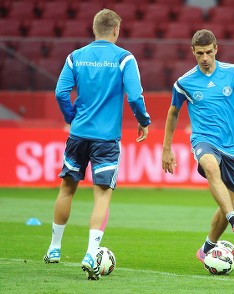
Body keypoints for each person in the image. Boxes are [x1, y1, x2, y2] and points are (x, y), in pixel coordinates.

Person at [43, 9, 151, 280]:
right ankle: (91, 253)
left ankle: (54, 248)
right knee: (102, 195)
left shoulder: (75, 57)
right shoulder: (124, 58)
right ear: (116, 30)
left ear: (94, 29)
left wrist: (72, 117)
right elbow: (135, 97)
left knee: (66, 188)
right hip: (106, 139)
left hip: (78, 135)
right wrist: (144, 120)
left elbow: (60, 92)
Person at [161, 29, 234, 263]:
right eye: (200, 53)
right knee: (211, 167)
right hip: (204, 139)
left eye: (208, 52)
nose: (204, 58)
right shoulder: (184, 83)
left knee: (227, 202)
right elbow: (173, 112)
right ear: (192, 51)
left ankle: (206, 248)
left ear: (216, 49)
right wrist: (166, 148)